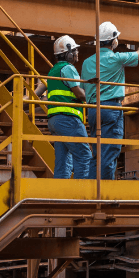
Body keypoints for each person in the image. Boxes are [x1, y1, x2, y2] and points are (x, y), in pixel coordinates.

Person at [81, 21, 139, 180]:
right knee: (109, 152)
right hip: (111, 108)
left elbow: (84, 87)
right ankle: (104, 193)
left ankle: (92, 190)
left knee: (97, 153)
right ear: (113, 41)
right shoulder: (117, 58)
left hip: (92, 110)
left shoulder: (86, 62)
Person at [34, 35, 92, 179]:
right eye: (75, 50)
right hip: (69, 119)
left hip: (55, 122)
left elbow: (36, 94)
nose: (77, 53)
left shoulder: (52, 71)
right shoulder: (69, 68)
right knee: (84, 156)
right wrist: (95, 97)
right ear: (68, 53)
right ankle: (81, 196)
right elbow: (80, 95)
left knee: (63, 161)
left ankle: (61, 198)